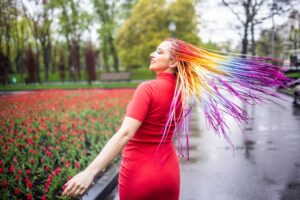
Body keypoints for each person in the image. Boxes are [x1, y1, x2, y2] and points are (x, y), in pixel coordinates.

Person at [61, 38, 288, 199]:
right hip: (169, 174)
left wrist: (90, 172)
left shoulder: (147, 88)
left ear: (173, 62)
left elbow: (126, 133)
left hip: (138, 175)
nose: (152, 53)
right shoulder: (182, 92)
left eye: (159, 52)